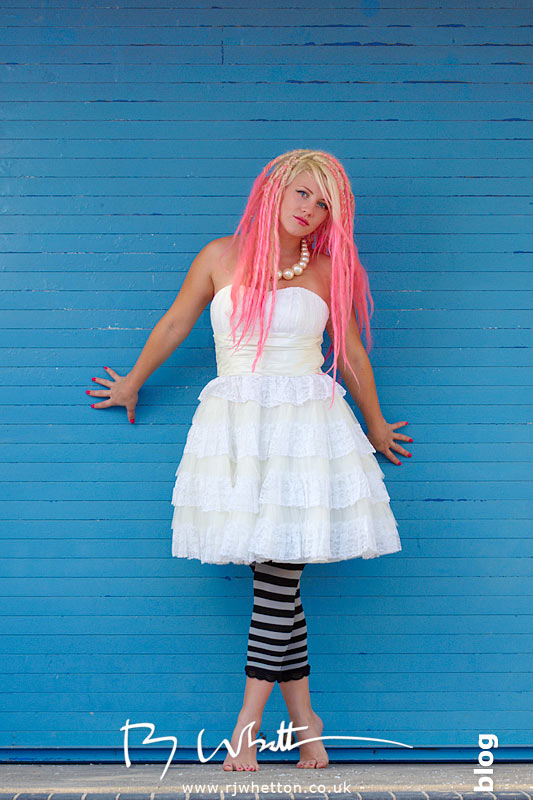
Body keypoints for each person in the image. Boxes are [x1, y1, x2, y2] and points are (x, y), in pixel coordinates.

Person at [86, 149, 413, 773]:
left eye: (323, 206)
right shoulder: (220, 256)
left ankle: (247, 725)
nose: (309, 212)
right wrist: (132, 380)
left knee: (276, 582)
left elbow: (350, 354)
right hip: (236, 432)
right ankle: (307, 723)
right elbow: (178, 321)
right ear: (274, 189)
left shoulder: (323, 271)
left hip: (303, 434)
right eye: (302, 195)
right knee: (279, 587)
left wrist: (374, 422)